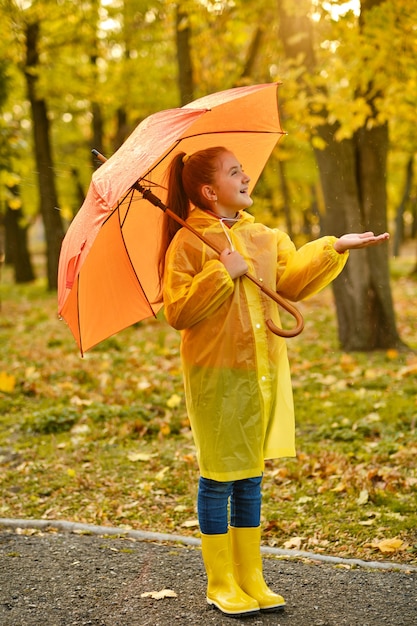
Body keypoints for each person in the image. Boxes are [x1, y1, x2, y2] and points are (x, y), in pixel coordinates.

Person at [159, 146, 389, 617]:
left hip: (261, 373)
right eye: (234, 171)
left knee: (250, 478)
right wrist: (221, 272)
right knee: (219, 476)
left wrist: (335, 246)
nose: (246, 176)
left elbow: (291, 282)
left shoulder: (263, 236)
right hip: (216, 376)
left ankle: (252, 576)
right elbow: (178, 312)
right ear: (209, 190)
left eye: (243, 169)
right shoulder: (189, 242)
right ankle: (221, 581)